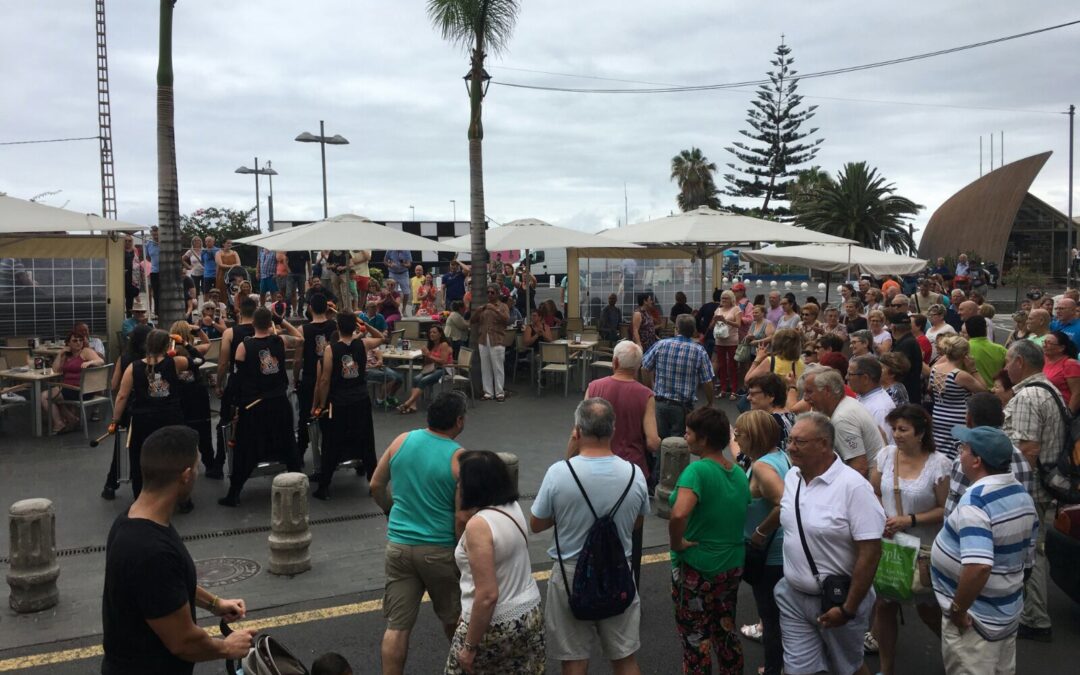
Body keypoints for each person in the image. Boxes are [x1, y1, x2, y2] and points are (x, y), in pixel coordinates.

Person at [101, 426, 253, 674]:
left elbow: (166, 589)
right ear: (185, 475)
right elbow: (183, 642)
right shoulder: (151, 552)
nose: (197, 472)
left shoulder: (130, 519)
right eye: (197, 466)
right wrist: (227, 647)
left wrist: (215, 603)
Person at [530, 398, 650, 675]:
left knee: (574, 659)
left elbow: (536, 524)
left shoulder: (560, 473)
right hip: (619, 570)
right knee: (624, 657)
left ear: (577, 430)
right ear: (613, 429)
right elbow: (636, 523)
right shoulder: (635, 474)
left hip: (571, 574)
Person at [775, 412, 884, 675]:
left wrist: (848, 609)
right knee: (798, 670)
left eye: (799, 442)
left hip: (837, 602)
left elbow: (870, 553)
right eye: (790, 440)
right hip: (792, 597)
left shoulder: (854, 488)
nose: (790, 447)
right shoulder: (793, 477)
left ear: (823, 444)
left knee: (848, 668)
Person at [370, 391, 468, 675]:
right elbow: (462, 517)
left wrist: (391, 511)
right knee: (454, 621)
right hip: (438, 549)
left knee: (397, 626)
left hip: (399, 546)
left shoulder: (402, 440)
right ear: (459, 421)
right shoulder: (458, 457)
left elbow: (376, 485)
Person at [930, 425, 1037, 674]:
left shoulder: (976, 502)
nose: (959, 455)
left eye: (963, 449)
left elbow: (978, 566)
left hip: (975, 622)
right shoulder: (1021, 495)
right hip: (1005, 614)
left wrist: (958, 609)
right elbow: (1028, 560)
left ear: (977, 460)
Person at [667, 407, 751, 675]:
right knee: (725, 630)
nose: (685, 436)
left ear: (702, 439)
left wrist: (677, 543)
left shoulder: (697, 472)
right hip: (731, 565)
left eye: (689, 432)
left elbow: (680, 512)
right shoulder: (737, 472)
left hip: (698, 567)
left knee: (695, 639)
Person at [445, 451, 545, 675]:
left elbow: (488, 595)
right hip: (529, 613)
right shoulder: (513, 508)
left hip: (495, 624)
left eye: (461, 479)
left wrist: (469, 647)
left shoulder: (479, 525)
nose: (458, 484)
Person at [869, 405, 950, 675]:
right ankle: (886, 668)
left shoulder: (938, 464)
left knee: (928, 609)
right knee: (884, 605)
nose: (896, 434)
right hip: (890, 545)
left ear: (921, 433)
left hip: (923, 547)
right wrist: (883, 516)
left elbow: (944, 509)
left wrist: (910, 520)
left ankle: (958, 655)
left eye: (903, 429)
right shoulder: (885, 456)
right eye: (894, 429)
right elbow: (874, 492)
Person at [1001, 338, 1065, 642]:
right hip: (1045, 486)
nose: (1005, 367)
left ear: (1020, 363)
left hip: (1032, 489)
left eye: (1008, 360)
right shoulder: (1050, 389)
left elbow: (1026, 449)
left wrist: (1014, 493)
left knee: (1032, 552)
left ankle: (1036, 619)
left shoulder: (1027, 397)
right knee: (1034, 549)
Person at [586, 340, 661, 584]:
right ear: (638, 366)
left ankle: (594, 579)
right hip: (632, 471)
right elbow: (651, 441)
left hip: (594, 466)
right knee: (632, 531)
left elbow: (579, 430)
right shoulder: (645, 394)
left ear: (615, 362)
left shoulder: (595, 387)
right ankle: (629, 583)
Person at [218, 308, 303, 507]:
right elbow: (300, 339)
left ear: (254, 324)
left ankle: (234, 493)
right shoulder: (279, 340)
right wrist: (281, 320)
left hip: (255, 404)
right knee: (288, 444)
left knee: (245, 448)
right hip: (278, 402)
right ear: (269, 323)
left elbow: (237, 378)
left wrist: (235, 404)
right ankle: (298, 486)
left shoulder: (244, 346)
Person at [733, 410, 788, 675]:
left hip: (769, 554)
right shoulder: (778, 456)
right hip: (778, 551)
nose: (736, 438)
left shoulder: (764, 468)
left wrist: (760, 532)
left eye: (739, 434)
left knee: (770, 616)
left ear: (753, 437)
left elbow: (782, 503)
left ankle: (774, 668)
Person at [310, 312, 383, 499]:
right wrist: (365, 323)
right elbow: (381, 337)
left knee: (331, 443)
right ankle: (373, 482)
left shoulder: (330, 349)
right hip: (360, 398)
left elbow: (325, 379)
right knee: (366, 441)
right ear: (355, 327)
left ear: (338, 328)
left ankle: (324, 486)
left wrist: (322, 403)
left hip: (339, 401)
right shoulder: (363, 343)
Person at [110, 329, 188, 502]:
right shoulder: (175, 362)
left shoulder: (133, 367)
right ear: (166, 346)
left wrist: (115, 420)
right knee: (175, 457)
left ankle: (141, 497)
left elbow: (122, 395)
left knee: (141, 458)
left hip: (143, 419)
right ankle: (180, 496)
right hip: (170, 416)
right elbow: (198, 360)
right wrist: (185, 343)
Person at [943, 393, 1034, 519]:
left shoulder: (966, 459)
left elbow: (953, 512)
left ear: (968, 419)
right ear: (1002, 418)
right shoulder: (1022, 460)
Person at [642, 314, 715, 441]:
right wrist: (710, 402)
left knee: (660, 441)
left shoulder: (661, 344)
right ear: (693, 331)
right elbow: (707, 381)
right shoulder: (699, 351)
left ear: (676, 329)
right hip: (683, 407)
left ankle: (659, 461)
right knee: (679, 444)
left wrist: (650, 388)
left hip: (660, 402)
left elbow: (644, 368)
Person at [800, 366, 880, 475]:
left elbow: (859, 468)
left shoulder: (842, 418)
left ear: (827, 390)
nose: (805, 398)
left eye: (809, 392)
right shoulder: (849, 403)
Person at [169, 321, 219, 481]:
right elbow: (208, 343)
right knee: (204, 432)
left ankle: (180, 467)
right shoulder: (194, 351)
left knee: (179, 432)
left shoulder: (169, 353)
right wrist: (198, 329)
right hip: (197, 395)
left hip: (178, 397)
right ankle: (210, 464)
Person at [929, 335, 986, 460]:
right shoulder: (960, 375)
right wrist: (973, 369)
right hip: (958, 419)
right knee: (956, 454)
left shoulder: (935, 370)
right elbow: (983, 391)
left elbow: (929, 389)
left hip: (938, 416)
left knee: (940, 453)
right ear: (965, 354)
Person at [295, 294, 338, 457]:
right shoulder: (334, 326)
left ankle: (299, 452)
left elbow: (298, 359)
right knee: (330, 414)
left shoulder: (303, 329)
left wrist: (296, 377)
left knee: (305, 414)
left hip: (310, 375)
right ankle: (331, 450)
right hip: (330, 374)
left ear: (310, 308)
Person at [41, 331, 105, 434]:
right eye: (74, 340)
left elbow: (101, 361)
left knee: (45, 396)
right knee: (53, 397)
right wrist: (60, 353)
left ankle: (59, 423)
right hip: (69, 388)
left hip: (81, 390)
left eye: (80, 340)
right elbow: (56, 370)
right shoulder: (67, 355)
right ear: (68, 343)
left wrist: (90, 362)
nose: (78, 343)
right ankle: (71, 419)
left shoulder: (85, 352)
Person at [397, 325, 454, 414]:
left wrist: (429, 355)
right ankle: (413, 406)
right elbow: (428, 362)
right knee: (416, 379)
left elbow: (443, 361)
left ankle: (408, 403)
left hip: (444, 369)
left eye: (434, 332)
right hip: (432, 368)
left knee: (423, 380)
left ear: (440, 334)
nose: (431, 334)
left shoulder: (444, 344)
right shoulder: (431, 345)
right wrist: (425, 355)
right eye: (430, 332)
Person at [471, 286, 511, 401]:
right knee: (485, 367)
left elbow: (507, 319)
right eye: (488, 292)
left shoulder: (503, 306)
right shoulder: (484, 307)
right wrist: (478, 311)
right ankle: (488, 392)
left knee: (498, 367)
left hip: (497, 339)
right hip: (483, 339)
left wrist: (494, 309)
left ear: (497, 294)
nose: (489, 294)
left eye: (492, 292)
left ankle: (499, 392)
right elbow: (473, 321)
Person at [848, 355, 895, 445]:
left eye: (850, 374)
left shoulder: (881, 409)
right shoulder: (863, 396)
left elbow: (882, 447)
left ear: (865, 378)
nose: (847, 377)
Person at [745, 373, 796, 451]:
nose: (748, 397)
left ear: (771, 396)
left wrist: (732, 437)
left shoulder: (767, 424)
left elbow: (745, 459)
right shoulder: (790, 415)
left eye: (753, 394)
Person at [710, 290, 743, 399]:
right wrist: (715, 320)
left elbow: (738, 324)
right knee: (722, 366)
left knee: (732, 365)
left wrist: (725, 321)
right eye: (722, 298)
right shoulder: (718, 309)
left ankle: (734, 390)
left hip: (732, 340)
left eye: (726, 298)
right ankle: (723, 389)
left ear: (731, 299)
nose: (723, 300)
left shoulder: (736, 309)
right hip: (719, 340)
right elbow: (711, 326)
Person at [888, 311, 924, 404]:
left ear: (894, 328)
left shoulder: (906, 344)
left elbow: (899, 370)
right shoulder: (909, 341)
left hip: (907, 394)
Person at [1040, 331, 1080, 413]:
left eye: (1049, 343)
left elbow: (1077, 393)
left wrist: (1069, 415)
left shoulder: (1070, 364)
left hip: (1061, 411)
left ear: (1061, 348)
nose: (1044, 345)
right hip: (1044, 408)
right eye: (1044, 342)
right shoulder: (1042, 359)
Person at [964, 316, 1007, 388]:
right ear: (986, 330)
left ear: (967, 331)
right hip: (997, 392)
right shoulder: (1001, 349)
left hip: (973, 392)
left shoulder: (963, 350)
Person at [284, 249, 311, 315]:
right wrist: (288, 270)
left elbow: (309, 263)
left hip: (302, 274)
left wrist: (310, 275)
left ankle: (300, 311)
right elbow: (285, 259)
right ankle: (288, 311)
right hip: (291, 274)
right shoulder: (291, 249)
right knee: (288, 294)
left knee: (302, 294)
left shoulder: (305, 251)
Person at [144, 227, 161, 314]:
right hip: (154, 271)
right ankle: (157, 311)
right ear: (151, 234)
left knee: (164, 292)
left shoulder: (164, 243)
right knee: (156, 292)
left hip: (164, 271)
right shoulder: (148, 244)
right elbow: (147, 257)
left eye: (157, 233)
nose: (155, 235)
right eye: (154, 234)